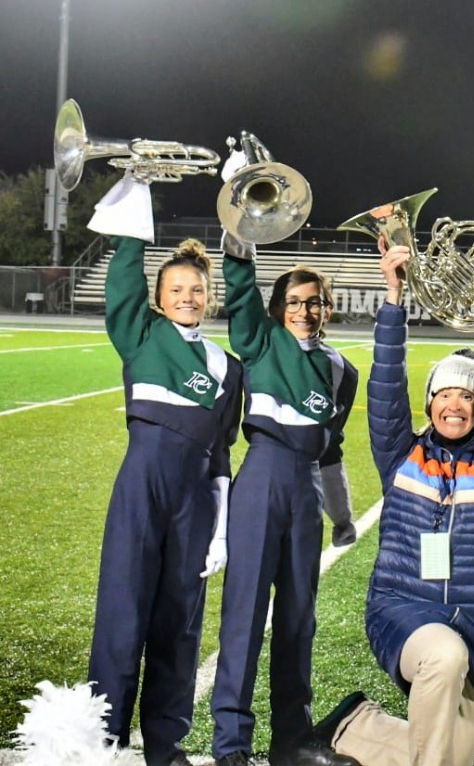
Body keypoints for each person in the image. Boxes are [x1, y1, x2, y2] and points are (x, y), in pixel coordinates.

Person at [311, 241, 474, 766]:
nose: (454, 403)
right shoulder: (401, 453)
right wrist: (394, 301)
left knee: (449, 754)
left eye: (467, 396)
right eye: (444, 394)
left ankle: (354, 728)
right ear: (429, 403)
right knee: (444, 656)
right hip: (406, 611)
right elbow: (384, 387)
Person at [85, 174, 244, 766]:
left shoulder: (228, 367)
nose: (187, 296)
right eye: (176, 288)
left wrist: (222, 528)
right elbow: (123, 273)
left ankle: (165, 742)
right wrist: (138, 192)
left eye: (196, 289)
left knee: (180, 623)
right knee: (123, 611)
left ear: (209, 297)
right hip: (141, 489)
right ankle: (103, 736)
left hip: (197, 501)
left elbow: (224, 453)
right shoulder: (142, 335)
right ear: (159, 297)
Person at [210, 223, 360, 766]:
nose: (304, 310)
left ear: (328, 307)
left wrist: (342, 515)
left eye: (314, 302)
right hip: (261, 479)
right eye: (293, 302)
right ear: (277, 309)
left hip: (307, 494)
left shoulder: (344, 371)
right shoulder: (260, 340)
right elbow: (239, 281)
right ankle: (231, 743)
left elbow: (331, 449)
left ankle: (291, 738)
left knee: (299, 617)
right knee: (244, 613)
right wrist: (238, 227)